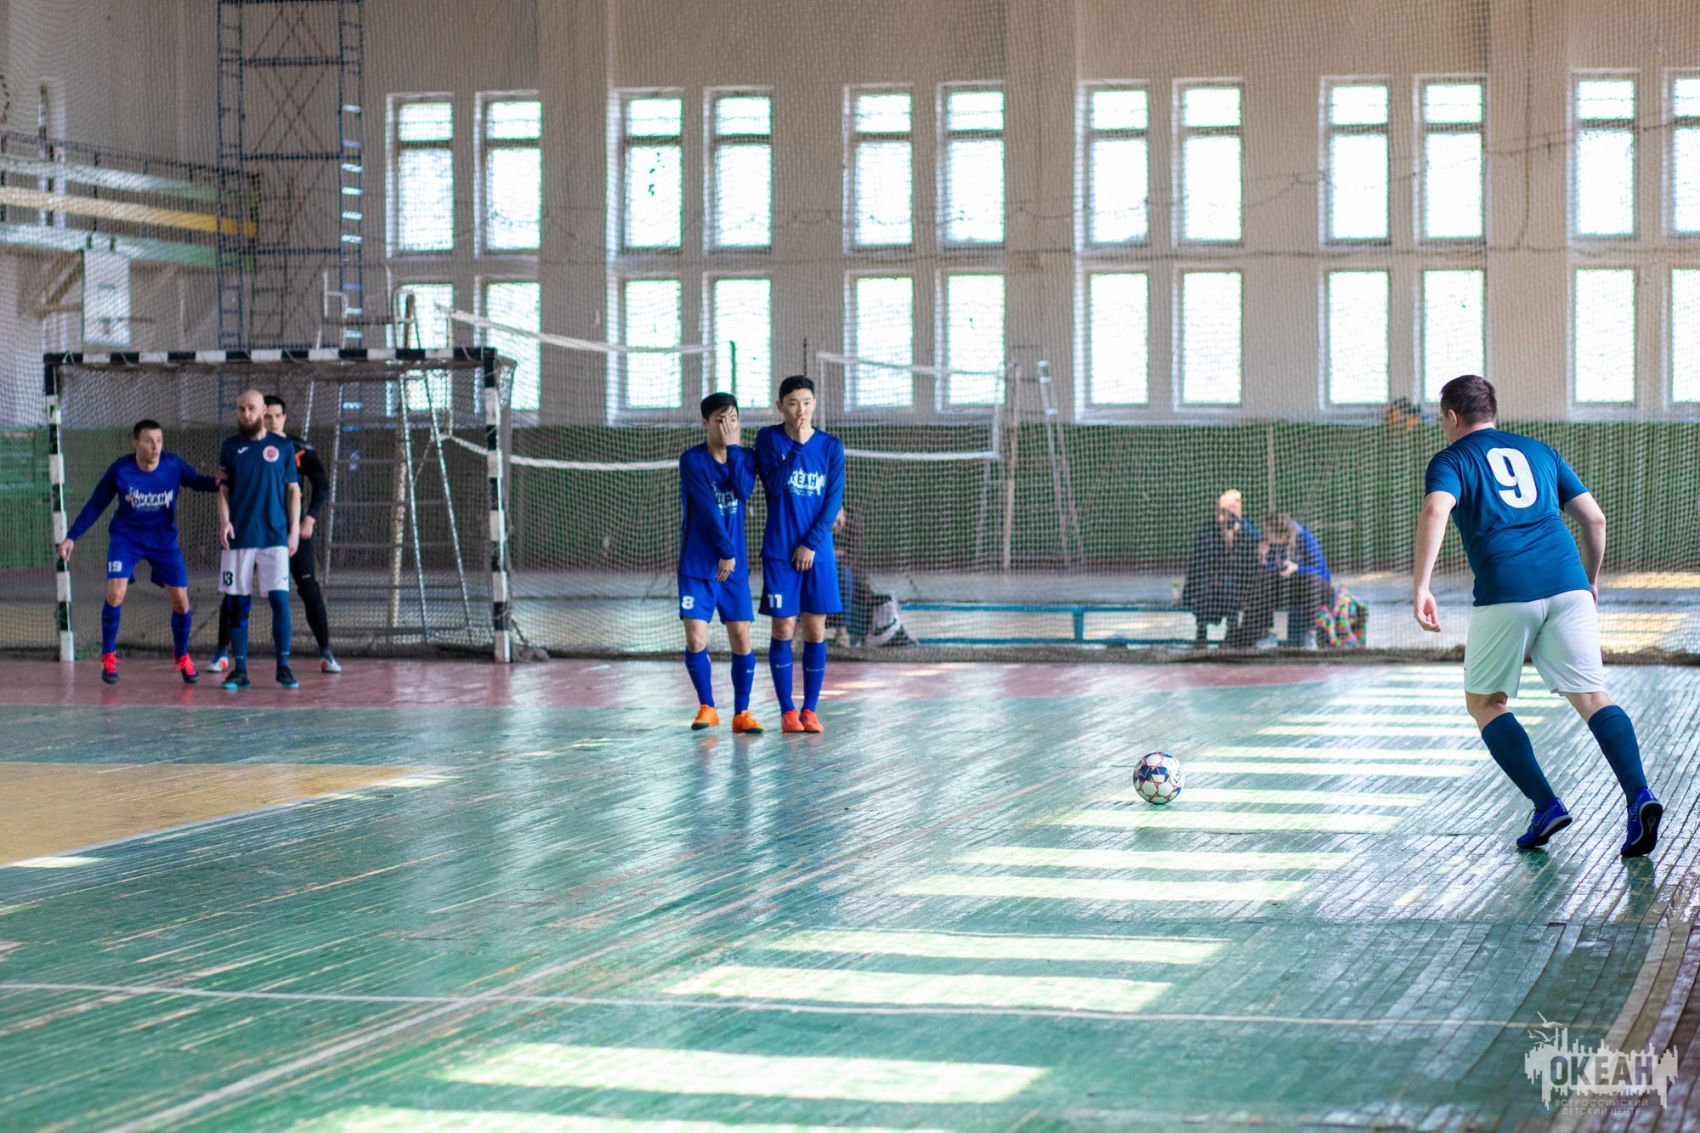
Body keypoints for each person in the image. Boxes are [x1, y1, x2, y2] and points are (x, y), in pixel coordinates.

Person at [1413, 374, 1660, 857]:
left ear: (1452, 416)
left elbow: (1435, 512)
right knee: (1594, 697)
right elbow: (1595, 519)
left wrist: (1422, 585)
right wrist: (1589, 579)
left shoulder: (1451, 459)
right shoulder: (1540, 451)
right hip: (1568, 581)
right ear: (1492, 411)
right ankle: (1639, 795)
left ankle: (1546, 805)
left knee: (1486, 703)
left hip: (1507, 588)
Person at [56, 419, 219, 685]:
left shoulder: (173, 465)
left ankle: (182, 656)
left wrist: (220, 482)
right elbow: (97, 503)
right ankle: (108, 656)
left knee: (181, 602)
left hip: (163, 541)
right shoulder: (121, 470)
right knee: (115, 594)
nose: (155, 447)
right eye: (148, 441)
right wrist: (72, 536)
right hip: (127, 539)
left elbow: (198, 482)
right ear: (136, 443)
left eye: (159, 441)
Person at [211, 395, 339, 674]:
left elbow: (317, 485)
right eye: (267, 417)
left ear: (283, 417)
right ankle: (222, 652)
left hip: (286, 532)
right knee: (234, 595)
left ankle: (325, 652)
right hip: (248, 531)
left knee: (306, 589)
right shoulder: (236, 447)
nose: (272, 421)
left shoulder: (294, 448)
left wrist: (307, 520)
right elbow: (223, 485)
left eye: (277, 416)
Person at [756, 375, 845, 734]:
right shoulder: (769, 439)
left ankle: (810, 710)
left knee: (815, 629)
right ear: (780, 406)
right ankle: (787, 712)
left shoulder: (831, 447)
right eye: (793, 403)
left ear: (815, 404)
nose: (801, 410)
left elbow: (833, 501)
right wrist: (794, 446)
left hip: (817, 552)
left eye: (807, 403)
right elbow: (774, 486)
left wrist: (811, 543)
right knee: (783, 627)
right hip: (780, 551)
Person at [678, 392, 762, 734]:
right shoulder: (692, 460)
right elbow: (708, 510)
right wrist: (725, 552)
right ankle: (707, 707)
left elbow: (743, 490)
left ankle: (742, 712)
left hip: (734, 568)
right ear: (705, 423)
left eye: (734, 420)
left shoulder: (746, 457)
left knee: (741, 636)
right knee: (696, 638)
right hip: (699, 564)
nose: (728, 426)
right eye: (720, 421)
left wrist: (734, 448)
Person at [217, 388, 301, 690]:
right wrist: (224, 521)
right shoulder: (230, 447)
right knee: (237, 603)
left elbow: (293, 490)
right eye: (241, 409)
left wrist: (294, 530)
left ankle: (283, 667)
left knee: (280, 601)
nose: (246, 414)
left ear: (263, 410)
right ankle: (239, 669)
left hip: (274, 537)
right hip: (239, 538)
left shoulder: (283, 446)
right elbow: (222, 490)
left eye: (251, 408)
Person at [1181, 489, 1262, 648]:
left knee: (1229, 585)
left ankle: (1231, 632)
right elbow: (1199, 561)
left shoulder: (1248, 530)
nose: (1224, 517)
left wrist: (1235, 539)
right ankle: (1201, 632)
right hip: (1211, 579)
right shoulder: (1209, 529)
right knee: (1206, 587)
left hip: (1238, 582)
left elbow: (1251, 558)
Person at [1242, 511, 1332, 648]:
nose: (1264, 536)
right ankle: (1273, 634)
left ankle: (1311, 634)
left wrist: (1297, 568)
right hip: (1286, 588)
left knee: (1311, 581)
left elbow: (1323, 573)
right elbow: (1266, 571)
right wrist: (1263, 559)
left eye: (1267, 533)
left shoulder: (1303, 538)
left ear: (1279, 534)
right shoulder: (1269, 546)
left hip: (1312, 588)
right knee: (1266, 582)